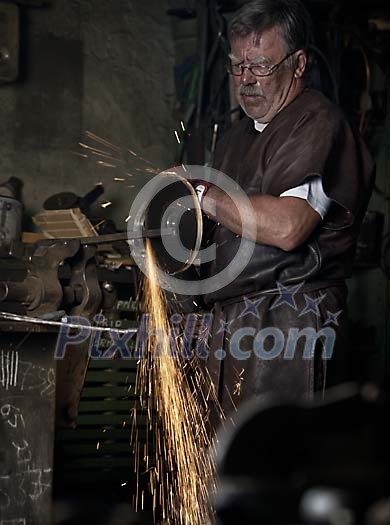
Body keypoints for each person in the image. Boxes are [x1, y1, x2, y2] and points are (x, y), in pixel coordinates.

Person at [193, 0, 375, 422]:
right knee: (223, 466)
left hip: (290, 325)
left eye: (260, 66)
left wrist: (207, 197)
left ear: (298, 64)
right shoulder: (236, 136)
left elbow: (289, 226)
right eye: (237, 66)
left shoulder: (315, 121)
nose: (245, 80)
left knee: (278, 467)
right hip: (234, 327)